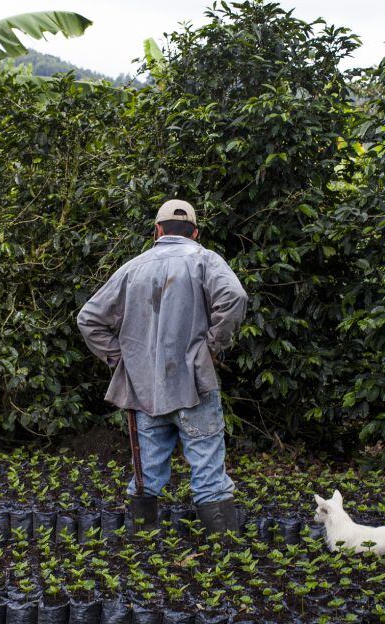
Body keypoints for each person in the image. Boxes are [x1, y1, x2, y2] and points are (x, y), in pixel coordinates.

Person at [77, 199, 248, 534]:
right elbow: (235, 297)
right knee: (210, 476)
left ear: (157, 230)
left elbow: (89, 318)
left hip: (144, 391)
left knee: (146, 475)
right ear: (195, 232)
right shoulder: (204, 260)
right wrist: (213, 345)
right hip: (194, 386)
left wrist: (122, 361)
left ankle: (139, 556)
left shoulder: (133, 267)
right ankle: (225, 562)